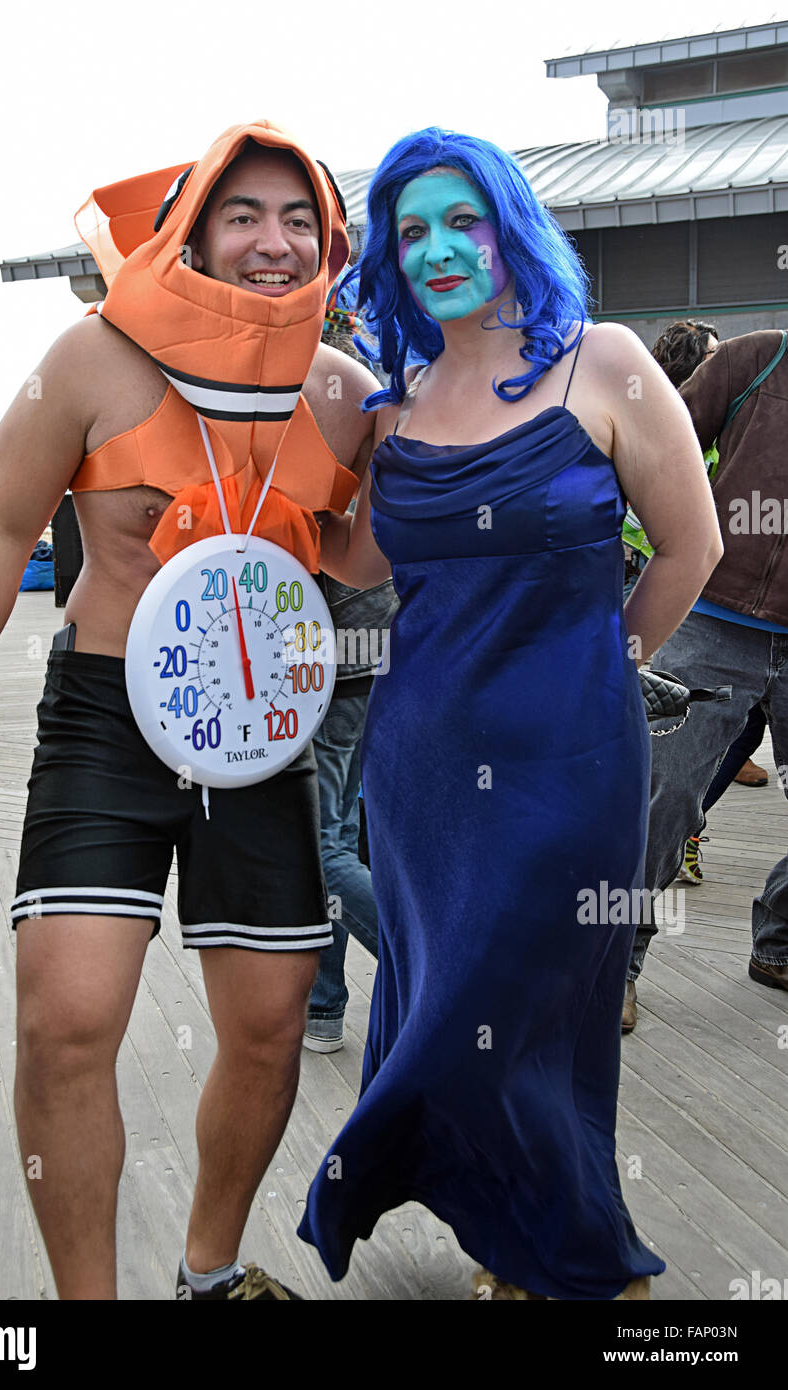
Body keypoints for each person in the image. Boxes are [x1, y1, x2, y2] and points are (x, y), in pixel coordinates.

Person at [0, 121, 380, 1301]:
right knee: (65, 1022)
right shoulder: (92, 357)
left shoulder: (341, 390)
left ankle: (210, 1270)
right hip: (105, 716)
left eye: (299, 221)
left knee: (273, 1025)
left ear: (327, 242)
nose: (273, 243)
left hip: (265, 739)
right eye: (244, 215)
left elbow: (368, 562)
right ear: (195, 226)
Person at [298, 127, 722, 1300]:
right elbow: (351, 555)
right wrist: (263, 471)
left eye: (460, 218)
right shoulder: (400, 405)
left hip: (571, 764)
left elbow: (693, 547)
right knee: (455, 1005)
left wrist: (601, 665)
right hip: (423, 769)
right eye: (410, 230)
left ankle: (585, 1265)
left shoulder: (609, 363)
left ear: (509, 226)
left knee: (524, 1008)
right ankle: (515, 1245)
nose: (436, 246)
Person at [628, 325, 788, 1004]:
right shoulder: (756, 357)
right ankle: (615, 963)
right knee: (661, 795)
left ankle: (777, 942)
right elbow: (658, 449)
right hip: (712, 618)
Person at [305, 276, 397, 1053]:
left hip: (324, 637)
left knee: (319, 839)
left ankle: (433, 968)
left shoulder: (310, 387)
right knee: (342, 825)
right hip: (378, 636)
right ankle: (323, 1006)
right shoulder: (376, 380)